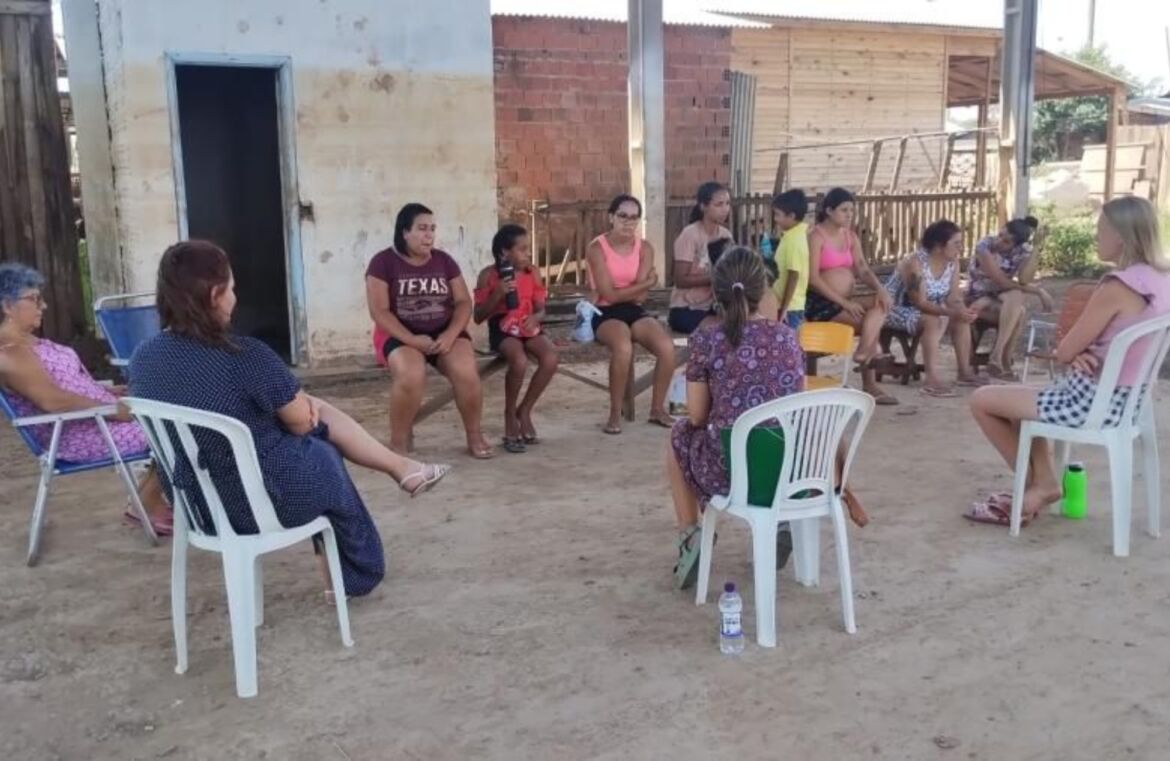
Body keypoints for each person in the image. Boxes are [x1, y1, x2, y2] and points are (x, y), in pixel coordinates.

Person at [130, 241, 450, 598]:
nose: (235, 297)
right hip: (260, 504)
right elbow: (303, 424)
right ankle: (352, 574)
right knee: (321, 454)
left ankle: (402, 468)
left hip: (198, 509)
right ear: (216, 295)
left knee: (303, 439)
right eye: (232, 288)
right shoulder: (245, 355)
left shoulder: (143, 359)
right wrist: (302, 410)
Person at [966, 197, 1170, 527]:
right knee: (1018, 400)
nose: (1095, 235)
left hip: (1091, 401)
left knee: (982, 400)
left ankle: (1035, 487)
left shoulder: (1118, 286)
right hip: (1129, 401)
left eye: (1101, 229)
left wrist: (1075, 353)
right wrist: (1080, 353)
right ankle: (1044, 482)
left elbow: (1063, 351)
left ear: (1121, 235)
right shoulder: (1162, 278)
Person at [666, 247, 805, 589]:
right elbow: (796, 402)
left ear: (716, 294)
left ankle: (690, 535)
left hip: (732, 471)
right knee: (770, 434)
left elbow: (697, 416)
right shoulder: (787, 337)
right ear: (764, 290)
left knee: (678, 435)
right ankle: (780, 522)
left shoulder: (707, 340)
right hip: (789, 468)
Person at [0, 263, 172, 535]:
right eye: (34, 299)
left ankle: (148, 499)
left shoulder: (30, 343)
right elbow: (53, 401)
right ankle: (146, 501)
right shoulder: (10, 354)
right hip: (77, 433)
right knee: (179, 429)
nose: (43, 306)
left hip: (95, 418)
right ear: (8, 306)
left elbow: (69, 385)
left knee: (179, 410)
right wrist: (112, 409)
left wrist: (110, 392)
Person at [366, 203, 493, 459]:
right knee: (411, 375)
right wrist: (412, 339)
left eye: (432, 229)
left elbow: (463, 302)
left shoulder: (444, 261)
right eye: (422, 229)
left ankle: (474, 435)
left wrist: (451, 334)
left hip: (445, 332)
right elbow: (380, 311)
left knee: (466, 373)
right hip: (400, 335)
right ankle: (398, 443)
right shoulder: (382, 263)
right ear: (405, 232)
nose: (429, 235)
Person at [584, 194, 676, 434]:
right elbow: (608, 295)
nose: (628, 222)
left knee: (666, 347)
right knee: (623, 347)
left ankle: (657, 409)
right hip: (603, 310)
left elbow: (640, 298)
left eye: (634, 217)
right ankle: (615, 412)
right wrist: (647, 283)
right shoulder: (597, 248)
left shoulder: (644, 248)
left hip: (633, 309)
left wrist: (636, 289)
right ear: (611, 217)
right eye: (623, 216)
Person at [805, 187, 898, 405]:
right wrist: (844, 303)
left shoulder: (850, 237)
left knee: (881, 304)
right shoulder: (815, 236)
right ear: (829, 211)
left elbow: (863, 269)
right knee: (869, 324)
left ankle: (863, 350)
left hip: (846, 300)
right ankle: (869, 379)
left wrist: (880, 288)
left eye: (851, 211)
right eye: (844, 210)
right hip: (822, 303)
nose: (849, 215)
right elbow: (813, 279)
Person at [474, 224, 559, 453]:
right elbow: (478, 317)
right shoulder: (488, 275)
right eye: (522, 249)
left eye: (527, 249)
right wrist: (497, 294)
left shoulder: (532, 272)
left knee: (550, 357)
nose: (528, 254)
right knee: (519, 361)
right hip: (501, 325)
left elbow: (541, 309)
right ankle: (510, 414)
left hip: (526, 322)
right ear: (504, 252)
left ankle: (525, 409)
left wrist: (535, 318)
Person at [883, 220, 987, 397]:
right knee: (932, 320)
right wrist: (951, 312)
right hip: (896, 308)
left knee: (960, 318)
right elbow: (919, 302)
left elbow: (953, 296)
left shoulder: (952, 263)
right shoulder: (915, 264)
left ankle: (964, 372)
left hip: (929, 309)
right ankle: (931, 380)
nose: (961, 248)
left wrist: (963, 311)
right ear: (939, 246)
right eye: (956, 243)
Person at [966, 216, 1054, 381]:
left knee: (1017, 299)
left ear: (1016, 245)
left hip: (996, 299)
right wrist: (1038, 291)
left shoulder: (1022, 251)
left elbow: (1024, 279)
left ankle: (998, 359)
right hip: (975, 298)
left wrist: (1036, 248)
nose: (999, 242)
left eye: (1006, 241)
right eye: (1000, 235)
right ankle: (1001, 360)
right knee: (1019, 310)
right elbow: (1001, 281)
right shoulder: (985, 245)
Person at [668, 182, 733, 334]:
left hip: (714, 306)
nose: (725, 209)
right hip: (686, 309)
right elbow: (680, 280)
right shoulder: (690, 234)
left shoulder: (726, 235)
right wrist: (716, 278)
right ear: (703, 206)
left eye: (727, 203)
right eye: (719, 204)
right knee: (723, 331)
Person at [771, 188, 811, 331]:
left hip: (790, 307)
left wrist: (784, 308)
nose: (775, 219)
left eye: (778, 215)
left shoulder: (794, 241)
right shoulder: (791, 235)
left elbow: (794, 275)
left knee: (790, 340)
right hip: (786, 305)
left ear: (791, 216)